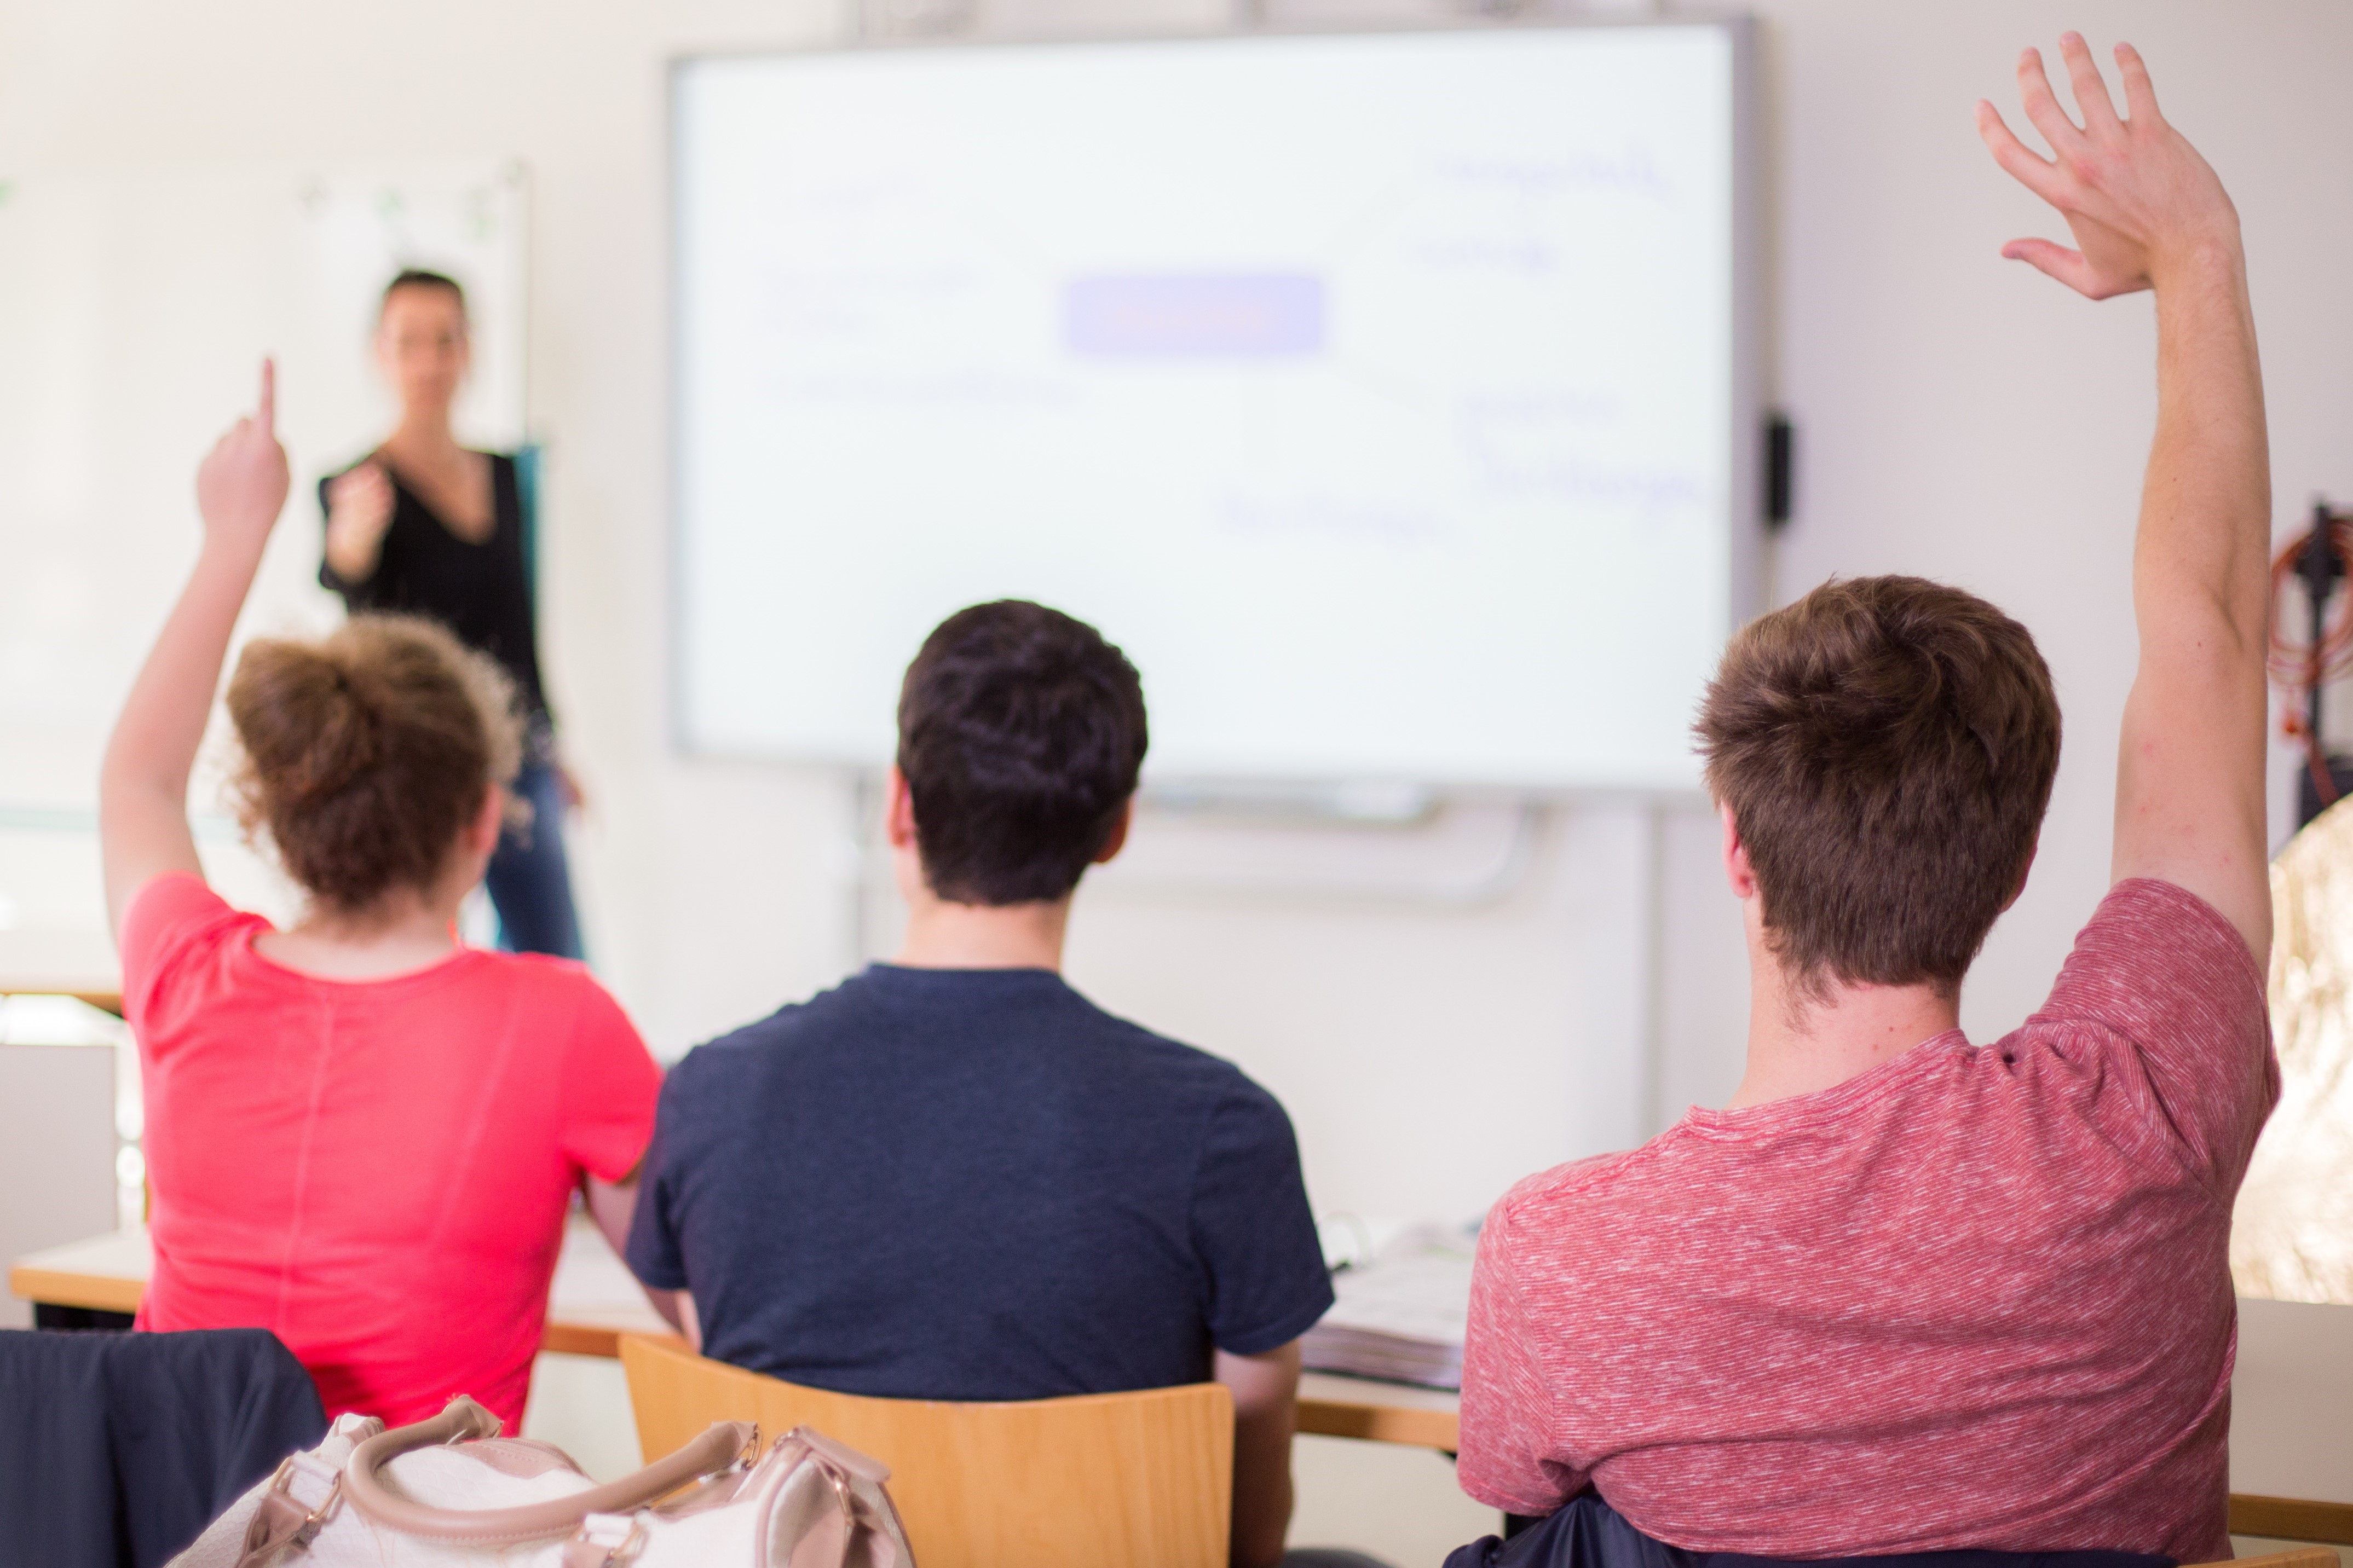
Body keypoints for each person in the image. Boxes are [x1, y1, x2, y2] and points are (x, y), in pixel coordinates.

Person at [1456, 36, 2273, 1566]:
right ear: (2021, 859)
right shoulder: (2150, 1119)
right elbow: (2212, 635)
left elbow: (1519, 1496)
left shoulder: (1568, 1260)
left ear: (1737, 854)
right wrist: (2198, 253)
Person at [625, 601, 1339, 1568]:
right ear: (1114, 828)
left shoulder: (712, 1095)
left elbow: (737, 1456)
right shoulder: (1224, 1131)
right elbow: (1242, 1537)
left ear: (898, 807)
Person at [99, 363, 664, 1430]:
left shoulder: (180, 970)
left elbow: (134, 781)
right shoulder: (560, 1024)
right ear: (482, 826)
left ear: (274, 815)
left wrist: (232, 534)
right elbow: (700, 1298)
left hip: (174, 1529)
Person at [319, 268, 583, 959]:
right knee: (419, 964)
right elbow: (346, 586)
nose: (430, 362)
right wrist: (352, 541)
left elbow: (517, 625)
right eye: (410, 343)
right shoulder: (357, 489)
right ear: (380, 353)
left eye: (446, 340)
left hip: (517, 759)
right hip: (416, 771)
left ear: (469, 350)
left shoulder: (505, 475)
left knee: (554, 958)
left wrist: (553, 750)